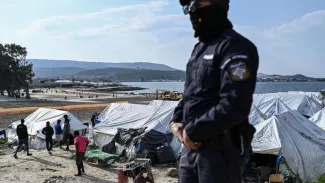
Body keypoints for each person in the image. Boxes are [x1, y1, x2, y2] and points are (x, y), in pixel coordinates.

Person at [169, 0, 259, 182]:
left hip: (219, 154)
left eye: (194, 4)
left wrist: (193, 130)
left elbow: (235, 105)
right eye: (187, 8)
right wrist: (176, 121)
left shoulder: (235, 47)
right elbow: (191, 95)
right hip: (189, 151)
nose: (190, 11)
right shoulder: (199, 50)